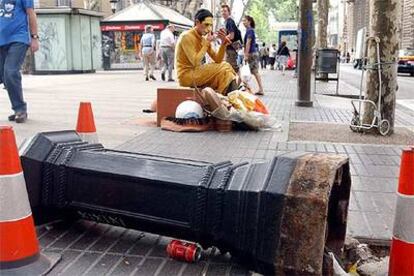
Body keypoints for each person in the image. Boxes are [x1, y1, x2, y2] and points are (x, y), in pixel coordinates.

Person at [175, 9, 238, 95]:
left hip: (196, 72)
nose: (209, 29)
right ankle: (227, 95)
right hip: (186, 76)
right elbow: (195, 62)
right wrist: (206, 43)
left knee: (225, 68)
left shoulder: (203, 39)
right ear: (197, 22)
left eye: (211, 25)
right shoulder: (186, 36)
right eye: (206, 25)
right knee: (224, 67)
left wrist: (223, 44)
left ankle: (224, 98)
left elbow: (218, 59)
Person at [0, 0, 39, 123]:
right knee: (4, 76)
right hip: (1, 41)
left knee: (10, 72)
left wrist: (34, 37)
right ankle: (18, 107)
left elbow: (31, 13)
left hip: (18, 38)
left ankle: (20, 109)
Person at [242, 15, 264, 95]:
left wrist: (246, 55)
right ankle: (249, 88)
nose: (243, 22)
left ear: (249, 21)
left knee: (253, 71)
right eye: (243, 21)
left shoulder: (250, 31)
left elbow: (248, 43)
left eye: (245, 20)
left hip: (251, 53)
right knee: (252, 71)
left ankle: (259, 89)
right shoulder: (249, 30)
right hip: (252, 53)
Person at [221, 4, 242, 73]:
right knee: (230, 68)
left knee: (233, 68)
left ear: (229, 12)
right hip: (230, 49)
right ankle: (236, 82)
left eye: (225, 11)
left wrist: (224, 38)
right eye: (222, 11)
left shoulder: (229, 21)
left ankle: (242, 82)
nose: (223, 13)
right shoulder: (227, 22)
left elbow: (232, 36)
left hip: (231, 49)